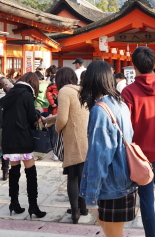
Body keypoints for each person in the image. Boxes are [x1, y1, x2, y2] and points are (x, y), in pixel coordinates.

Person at [121, 47, 155, 237]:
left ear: (134, 66)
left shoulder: (128, 92)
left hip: (140, 154)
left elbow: (126, 127)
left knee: (146, 199)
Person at [80, 61, 137, 237]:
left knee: (112, 233)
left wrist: (92, 194)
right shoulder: (119, 103)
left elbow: (100, 156)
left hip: (111, 184)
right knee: (109, 227)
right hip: (123, 178)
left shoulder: (100, 110)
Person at [1, 72, 46, 219]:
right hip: (22, 138)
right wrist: (37, 112)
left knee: (14, 171)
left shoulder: (10, 94)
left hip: (9, 138)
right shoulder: (26, 95)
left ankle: (14, 203)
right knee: (30, 172)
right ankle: (33, 205)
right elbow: (31, 118)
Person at [51, 67, 88, 223]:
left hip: (73, 139)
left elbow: (62, 118)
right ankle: (83, 206)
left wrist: (57, 129)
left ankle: (75, 212)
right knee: (81, 175)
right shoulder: (80, 90)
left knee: (72, 176)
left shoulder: (65, 91)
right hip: (85, 138)